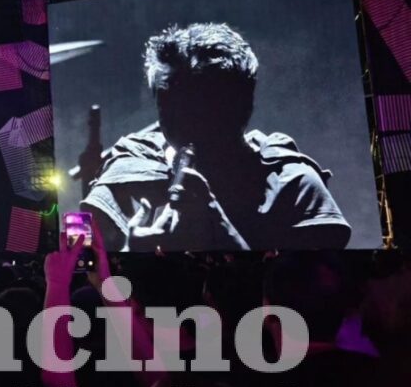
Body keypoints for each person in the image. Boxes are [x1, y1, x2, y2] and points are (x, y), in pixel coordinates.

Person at [82, 23, 350, 252]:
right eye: (170, 107)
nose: (185, 123)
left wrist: (217, 226)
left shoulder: (293, 184)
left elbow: (311, 290)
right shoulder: (129, 169)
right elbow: (86, 269)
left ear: (243, 106)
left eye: (203, 108)